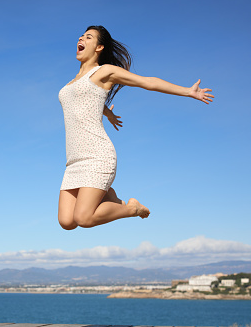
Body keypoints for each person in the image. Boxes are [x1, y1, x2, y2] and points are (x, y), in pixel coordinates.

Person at [58, 25, 214, 230]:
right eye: (81, 36)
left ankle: (133, 209)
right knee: (67, 222)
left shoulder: (105, 71)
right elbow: (85, 98)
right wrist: (107, 112)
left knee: (84, 218)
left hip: (97, 155)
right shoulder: (73, 82)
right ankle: (110, 197)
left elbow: (147, 82)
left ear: (99, 47)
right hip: (74, 160)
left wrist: (187, 91)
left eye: (89, 37)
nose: (82, 39)